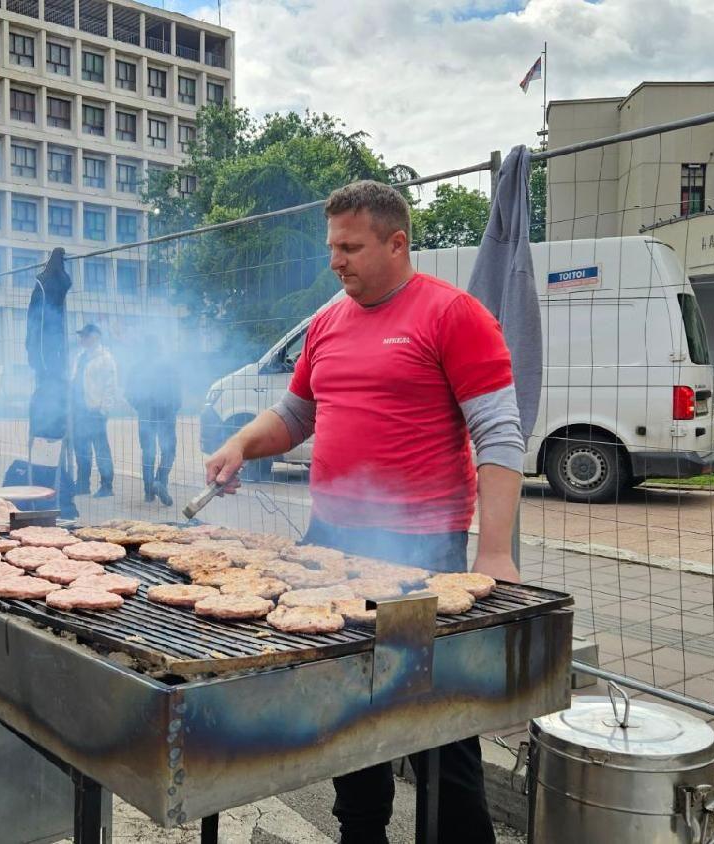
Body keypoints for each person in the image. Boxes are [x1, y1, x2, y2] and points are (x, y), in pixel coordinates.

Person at [204, 181, 524, 844]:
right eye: (332, 247)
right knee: (351, 704)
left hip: (421, 552)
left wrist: (495, 551)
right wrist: (240, 442)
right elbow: (296, 414)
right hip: (332, 542)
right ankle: (360, 833)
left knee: (436, 720)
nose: (336, 260)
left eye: (350, 247)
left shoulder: (454, 315)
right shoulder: (327, 322)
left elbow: (499, 433)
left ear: (397, 243)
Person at [124, 334, 180, 506]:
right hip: (166, 415)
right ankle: (160, 482)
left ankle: (149, 491)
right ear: (159, 349)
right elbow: (177, 393)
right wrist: (174, 407)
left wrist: (140, 407)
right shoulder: (168, 367)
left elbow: (129, 393)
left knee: (148, 453)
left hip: (146, 415)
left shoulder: (137, 368)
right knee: (169, 451)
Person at [71, 323, 119, 498]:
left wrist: (104, 409)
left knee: (101, 449)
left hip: (94, 411)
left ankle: (107, 486)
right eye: (81, 336)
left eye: (85, 336)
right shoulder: (80, 357)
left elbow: (111, 386)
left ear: (95, 337)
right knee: (81, 448)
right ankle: (83, 484)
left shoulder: (105, 358)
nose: (82, 339)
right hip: (79, 410)